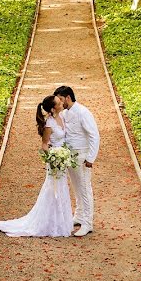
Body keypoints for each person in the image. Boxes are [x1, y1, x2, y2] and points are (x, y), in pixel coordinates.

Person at [0, 95, 74, 237]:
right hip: (55, 162)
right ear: (54, 108)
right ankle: (48, 223)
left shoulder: (62, 117)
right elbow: (44, 145)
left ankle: (61, 222)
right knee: (52, 189)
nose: (61, 101)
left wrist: (64, 155)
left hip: (63, 159)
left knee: (62, 189)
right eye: (58, 101)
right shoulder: (49, 124)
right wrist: (53, 158)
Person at [53, 86, 100, 237]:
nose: (58, 103)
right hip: (70, 156)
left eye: (60, 99)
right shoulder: (65, 113)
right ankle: (79, 215)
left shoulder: (83, 112)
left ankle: (88, 222)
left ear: (67, 97)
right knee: (76, 187)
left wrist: (91, 158)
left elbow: (94, 135)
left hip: (83, 155)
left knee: (85, 188)